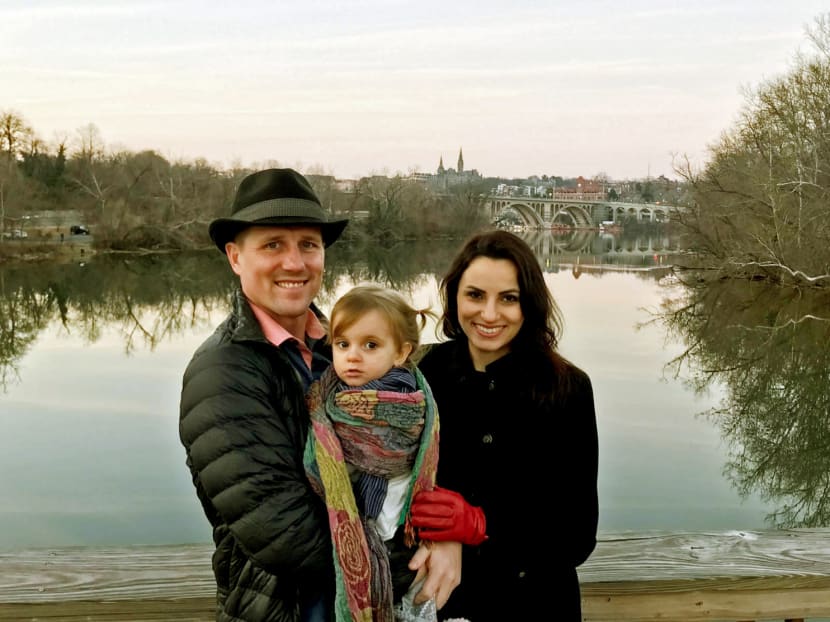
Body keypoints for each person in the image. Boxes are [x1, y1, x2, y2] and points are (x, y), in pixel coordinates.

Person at [179, 168, 459, 622]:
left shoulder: (341, 351)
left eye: (308, 244)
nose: (295, 263)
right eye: (273, 245)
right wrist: (412, 568)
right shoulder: (222, 373)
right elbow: (283, 534)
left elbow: (404, 459)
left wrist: (444, 537)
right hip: (286, 610)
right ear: (235, 257)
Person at [410, 229, 599, 621]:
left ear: (529, 304)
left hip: (535, 605)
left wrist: (479, 526)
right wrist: (438, 534)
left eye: (508, 299)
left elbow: (577, 535)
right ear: (454, 296)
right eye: (475, 295)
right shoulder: (423, 375)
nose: (490, 314)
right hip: (447, 604)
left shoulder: (567, 389)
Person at [303, 285, 439, 621]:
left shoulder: (404, 398)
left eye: (370, 345)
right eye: (343, 344)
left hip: (393, 529)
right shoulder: (329, 396)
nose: (352, 356)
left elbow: (392, 450)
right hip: (363, 527)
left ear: (401, 353)